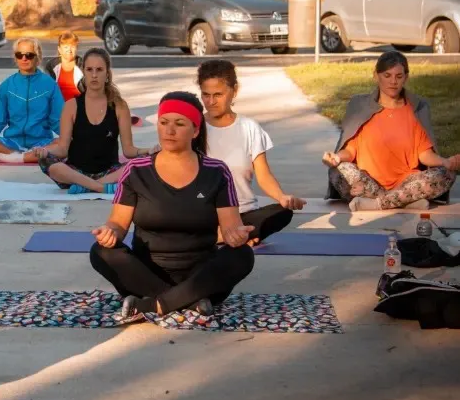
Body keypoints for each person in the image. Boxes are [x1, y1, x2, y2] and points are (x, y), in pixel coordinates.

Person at [90, 91, 255, 318]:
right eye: (164, 122)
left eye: (179, 124)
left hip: (200, 276)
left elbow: (230, 228)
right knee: (100, 252)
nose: (169, 130)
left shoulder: (216, 171)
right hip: (145, 275)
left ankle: (157, 305)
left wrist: (236, 235)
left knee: (242, 254)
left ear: (195, 131)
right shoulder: (136, 170)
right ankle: (188, 302)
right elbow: (118, 224)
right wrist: (109, 233)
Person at [323, 50, 458, 211]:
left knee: (447, 174)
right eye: (387, 75)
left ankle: (377, 203)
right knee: (339, 171)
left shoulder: (415, 109)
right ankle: (405, 201)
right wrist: (336, 158)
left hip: (406, 182)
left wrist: (445, 162)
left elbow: (424, 154)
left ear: (405, 78)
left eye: (398, 76)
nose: (393, 81)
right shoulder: (360, 106)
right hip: (369, 182)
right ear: (376, 76)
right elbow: (351, 151)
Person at [197, 59, 304, 244]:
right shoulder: (194, 127)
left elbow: (263, 175)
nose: (211, 102)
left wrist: (282, 196)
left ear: (234, 90)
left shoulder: (249, 128)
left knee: (282, 212)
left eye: (218, 95)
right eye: (206, 95)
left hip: (243, 213)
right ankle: (232, 235)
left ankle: (232, 234)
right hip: (206, 213)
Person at [32, 48, 150, 194]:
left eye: (99, 70)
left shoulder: (119, 105)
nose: (94, 75)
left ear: (107, 74)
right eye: (89, 69)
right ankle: (100, 187)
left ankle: (87, 185)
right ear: (83, 72)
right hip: (75, 171)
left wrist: (149, 151)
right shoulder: (71, 106)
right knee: (46, 161)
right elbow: (62, 149)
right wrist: (45, 151)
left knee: (144, 163)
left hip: (109, 172)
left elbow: (128, 150)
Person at [0, 38, 64, 163]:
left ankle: (16, 158)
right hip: (12, 143)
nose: (24, 59)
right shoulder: (7, 85)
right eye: (19, 55)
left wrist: (74, 136)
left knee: (67, 146)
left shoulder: (50, 85)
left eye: (29, 55)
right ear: (15, 57)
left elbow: (58, 120)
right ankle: (24, 156)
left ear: (38, 57)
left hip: (42, 142)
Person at [43, 31, 84, 101]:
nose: (69, 50)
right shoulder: (51, 67)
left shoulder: (84, 66)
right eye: (66, 47)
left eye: (73, 46)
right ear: (59, 49)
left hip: (79, 107)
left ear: (76, 48)